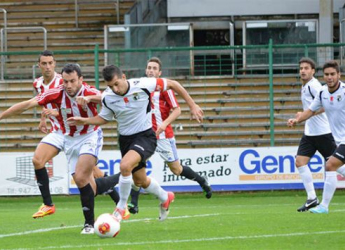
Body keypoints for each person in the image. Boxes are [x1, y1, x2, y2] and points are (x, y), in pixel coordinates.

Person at [67, 65, 204, 222]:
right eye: (111, 86)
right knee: (140, 180)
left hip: (145, 136)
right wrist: (84, 121)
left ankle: (121, 207)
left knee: (125, 166)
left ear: (124, 77)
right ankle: (165, 197)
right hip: (125, 140)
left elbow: (173, 84)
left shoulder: (143, 84)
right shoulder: (107, 97)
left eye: (117, 84)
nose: (115, 89)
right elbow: (103, 118)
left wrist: (192, 105)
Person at [0, 64, 119, 234]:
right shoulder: (56, 92)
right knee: (86, 185)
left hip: (90, 136)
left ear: (81, 80)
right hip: (69, 140)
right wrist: (2, 115)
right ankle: (122, 177)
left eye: (72, 81)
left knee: (80, 176)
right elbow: (28, 104)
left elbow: (108, 98)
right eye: (65, 81)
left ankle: (88, 225)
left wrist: (90, 99)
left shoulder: (89, 91)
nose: (69, 85)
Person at [31, 50, 119, 219]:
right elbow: (44, 104)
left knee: (89, 177)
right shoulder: (38, 84)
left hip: (78, 131)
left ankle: (119, 199)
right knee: (38, 160)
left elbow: (99, 98)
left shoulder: (62, 82)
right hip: (61, 131)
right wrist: (44, 117)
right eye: (44, 64)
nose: (48, 67)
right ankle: (48, 204)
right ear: (39, 66)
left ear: (55, 64)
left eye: (50, 63)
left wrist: (88, 100)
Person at [288, 60, 345, 214]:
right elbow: (310, 110)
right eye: (326, 74)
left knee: (330, 165)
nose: (329, 77)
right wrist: (297, 120)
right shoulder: (323, 92)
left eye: (332, 74)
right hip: (340, 140)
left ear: (339, 75)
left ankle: (323, 205)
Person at [127, 57, 212, 215]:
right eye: (149, 68)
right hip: (145, 137)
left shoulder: (164, 89)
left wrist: (164, 124)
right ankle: (134, 202)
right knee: (135, 164)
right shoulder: (140, 87)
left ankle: (201, 180)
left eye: (154, 68)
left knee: (177, 170)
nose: (151, 70)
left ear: (159, 73)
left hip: (164, 137)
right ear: (146, 70)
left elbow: (177, 110)